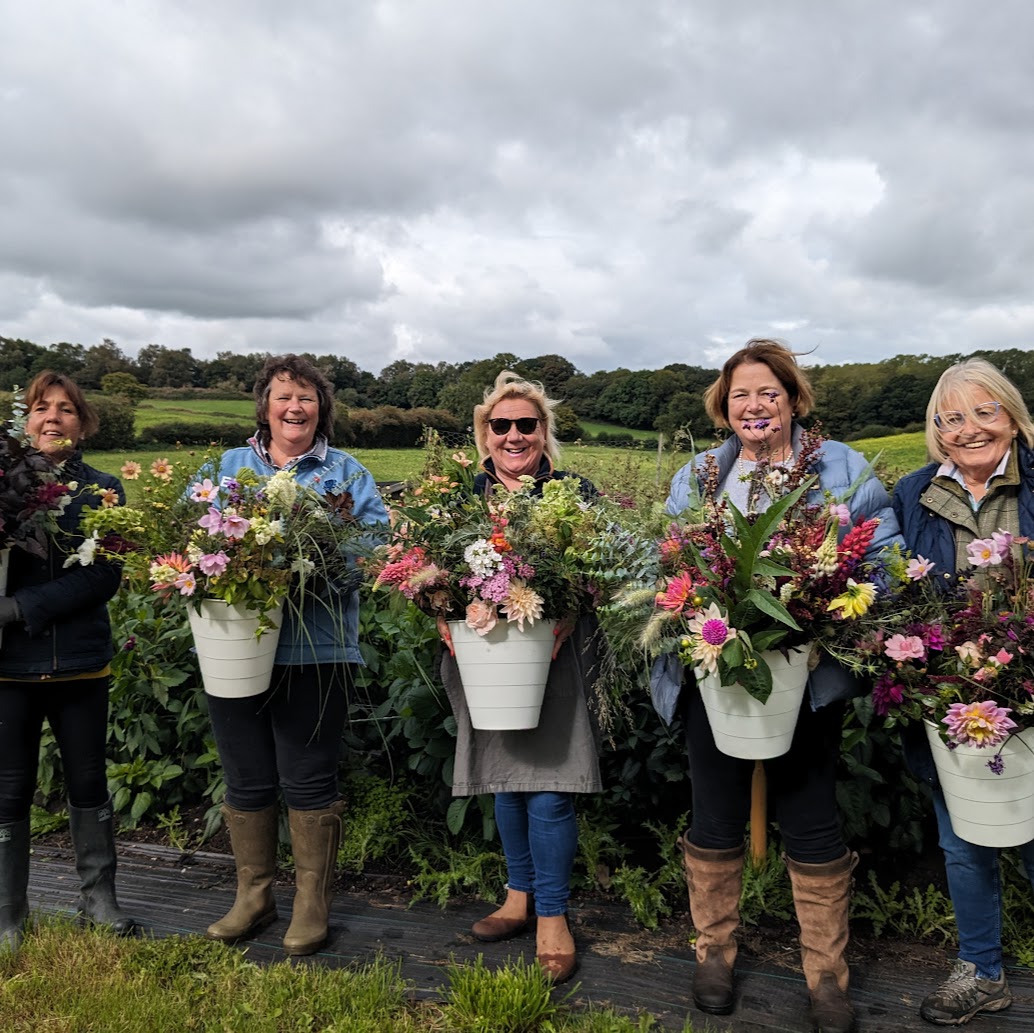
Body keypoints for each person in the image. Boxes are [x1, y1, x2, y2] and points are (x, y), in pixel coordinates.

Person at [660, 339, 902, 1033]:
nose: (755, 405)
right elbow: (670, 553)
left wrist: (832, 603)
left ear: (794, 398)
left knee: (811, 814)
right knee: (713, 810)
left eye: (769, 392)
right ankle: (713, 953)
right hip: (717, 672)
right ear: (723, 405)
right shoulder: (703, 473)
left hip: (808, 673)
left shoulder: (841, 466)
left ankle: (827, 977)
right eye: (740, 394)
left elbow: (880, 553)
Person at [202, 354, 388, 956]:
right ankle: (254, 895)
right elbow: (192, 537)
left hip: (318, 648)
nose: (295, 407)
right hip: (233, 645)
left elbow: (373, 548)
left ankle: (311, 903)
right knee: (246, 774)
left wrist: (308, 570)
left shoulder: (345, 473)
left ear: (321, 408)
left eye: (307, 397)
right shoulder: (227, 467)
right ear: (264, 405)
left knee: (308, 778)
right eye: (284, 396)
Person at [436, 371, 602, 985]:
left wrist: (566, 614)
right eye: (499, 425)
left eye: (525, 425)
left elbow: (598, 574)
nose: (512, 435)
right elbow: (425, 572)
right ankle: (518, 896)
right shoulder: (459, 498)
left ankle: (553, 916)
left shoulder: (572, 492)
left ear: (544, 432)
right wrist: (440, 617)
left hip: (552, 653)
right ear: (484, 433)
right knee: (504, 781)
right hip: (481, 654)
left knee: (552, 785)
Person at [892, 358, 1034, 1027]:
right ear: (937, 429)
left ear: (1011, 414)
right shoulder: (914, 492)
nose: (970, 429)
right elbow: (897, 590)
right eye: (952, 417)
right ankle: (981, 969)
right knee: (963, 840)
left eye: (985, 412)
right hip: (949, 698)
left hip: (1028, 694)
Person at [0, 371, 134, 954]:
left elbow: (105, 573)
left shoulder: (102, 489)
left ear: (83, 424)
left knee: (87, 781)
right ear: (23, 419)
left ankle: (98, 899)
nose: (52, 417)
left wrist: (16, 607)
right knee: (9, 789)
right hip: (9, 668)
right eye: (40, 408)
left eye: (66, 409)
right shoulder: (3, 485)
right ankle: (8, 914)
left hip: (80, 663)